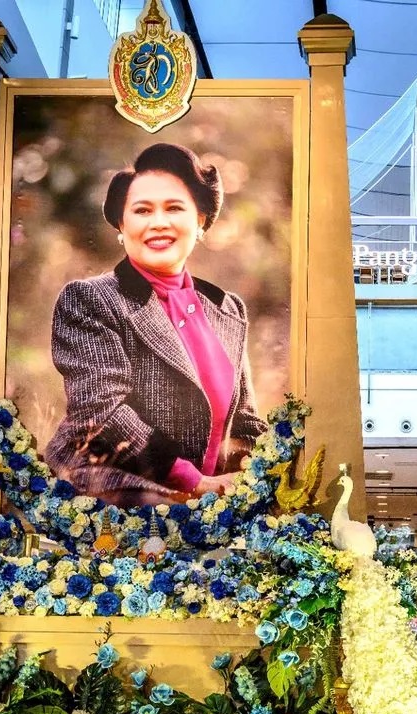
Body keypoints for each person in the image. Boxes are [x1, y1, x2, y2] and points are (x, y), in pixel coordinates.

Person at [45, 142, 266, 508]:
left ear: (200, 221)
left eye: (174, 208)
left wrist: (249, 475)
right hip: (109, 499)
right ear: (122, 224)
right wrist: (195, 483)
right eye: (142, 210)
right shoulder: (90, 299)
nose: (158, 222)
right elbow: (102, 413)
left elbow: (245, 423)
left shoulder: (227, 309)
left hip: (206, 511)